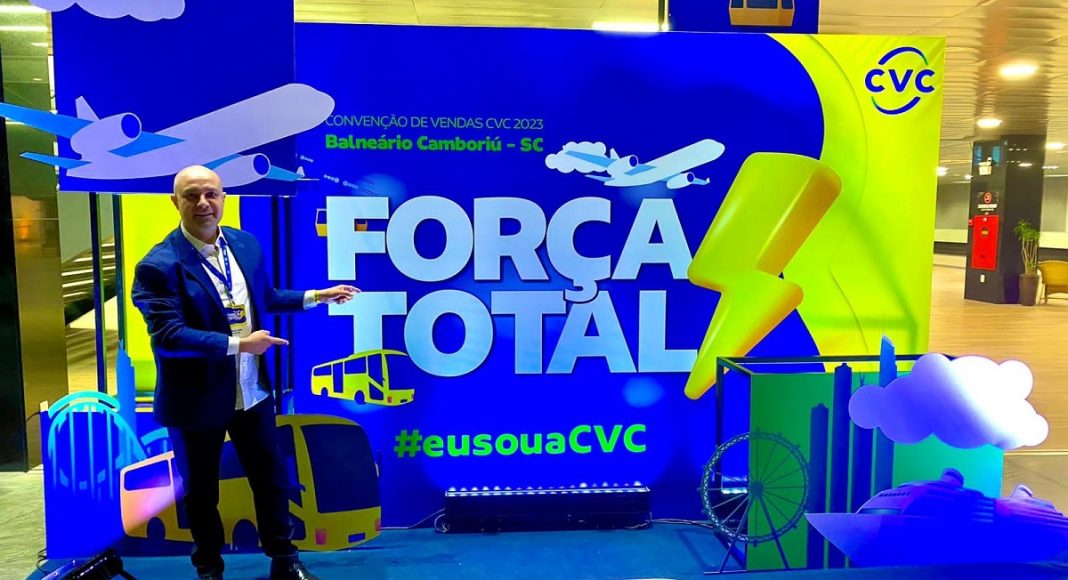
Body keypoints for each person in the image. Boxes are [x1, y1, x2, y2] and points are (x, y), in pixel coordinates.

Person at [132, 165, 356, 580]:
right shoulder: (158, 266)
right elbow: (168, 337)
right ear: (175, 202)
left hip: (251, 392)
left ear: (224, 197)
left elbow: (263, 298)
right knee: (202, 492)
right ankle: (209, 570)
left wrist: (316, 296)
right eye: (192, 195)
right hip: (196, 400)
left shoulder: (244, 244)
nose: (203, 203)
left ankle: (285, 561)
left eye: (211, 194)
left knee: (272, 479)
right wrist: (240, 344)